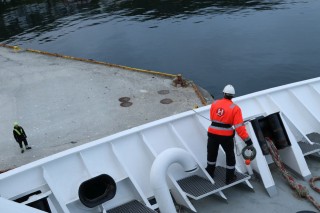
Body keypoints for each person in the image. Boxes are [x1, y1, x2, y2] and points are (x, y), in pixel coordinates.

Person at [205, 84, 253, 184]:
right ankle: (229, 177)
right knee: (230, 156)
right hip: (226, 137)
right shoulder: (235, 108)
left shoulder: (215, 103)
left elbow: (212, 118)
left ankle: (210, 172)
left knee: (211, 153)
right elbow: (239, 127)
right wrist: (247, 140)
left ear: (224, 93)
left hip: (212, 134)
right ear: (233, 96)